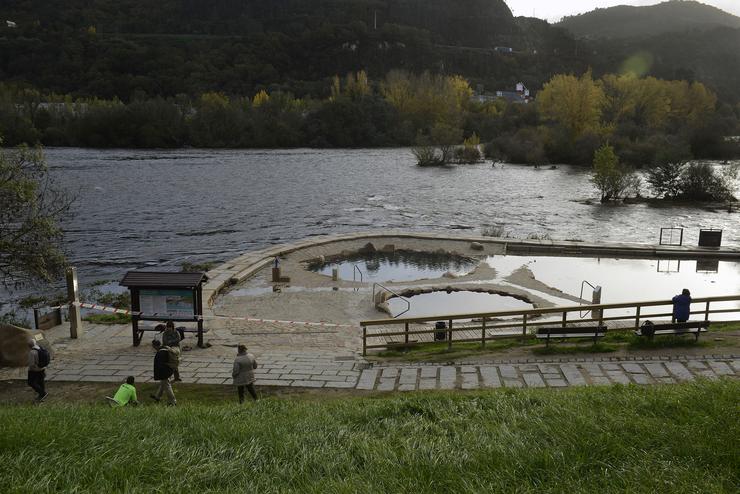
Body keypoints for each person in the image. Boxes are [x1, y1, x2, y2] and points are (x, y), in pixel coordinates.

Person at [150, 340, 177, 406]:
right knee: (163, 383)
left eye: (153, 345)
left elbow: (160, 365)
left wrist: (160, 374)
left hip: (164, 372)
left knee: (167, 386)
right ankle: (157, 396)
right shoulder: (165, 349)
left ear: (155, 345)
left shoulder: (160, 353)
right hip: (168, 370)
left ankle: (173, 401)